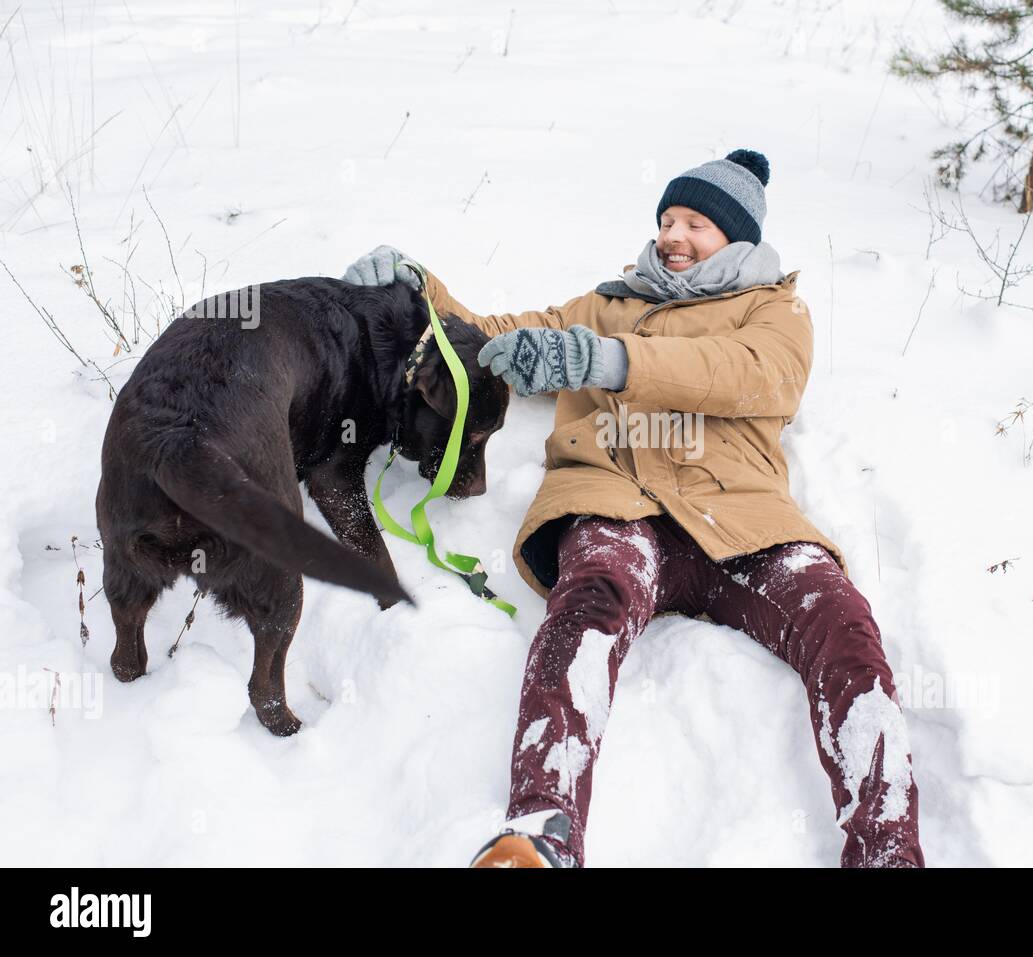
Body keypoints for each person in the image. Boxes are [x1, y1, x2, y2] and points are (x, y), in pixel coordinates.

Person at [342, 149, 924, 868]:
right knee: (587, 606)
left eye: (697, 223)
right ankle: (542, 832)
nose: (674, 236)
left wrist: (607, 363)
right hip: (614, 504)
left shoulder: (775, 308)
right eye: (667, 220)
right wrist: (414, 289)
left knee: (840, 620)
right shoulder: (610, 304)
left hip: (741, 521)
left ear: (737, 240)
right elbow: (489, 335)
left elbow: (756, 376)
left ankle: (886, 850)